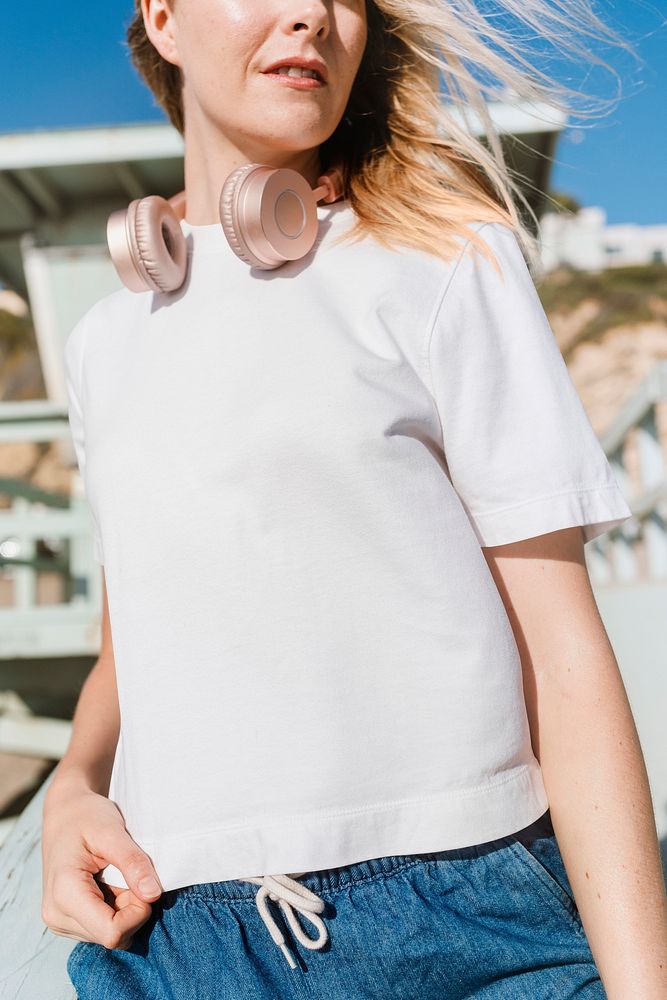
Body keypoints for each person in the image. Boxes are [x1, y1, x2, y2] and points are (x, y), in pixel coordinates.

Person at [41, 0, 667, 997]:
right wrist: (71, 788)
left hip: (468, 923)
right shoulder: (104, 343)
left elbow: (565, 653)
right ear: (160, 16)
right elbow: (133, 644)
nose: (310, 15)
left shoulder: (442, 258)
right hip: (181, 940)